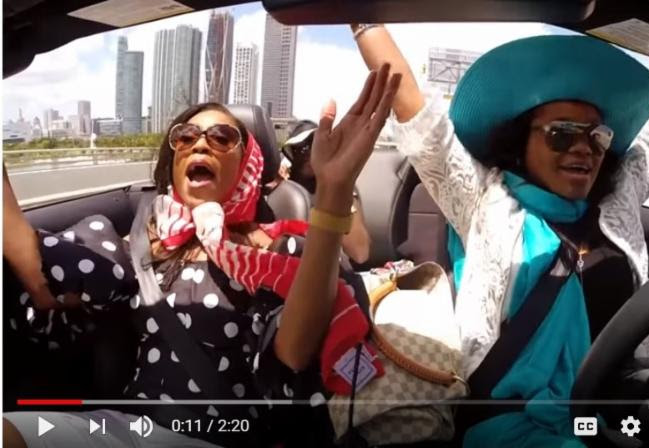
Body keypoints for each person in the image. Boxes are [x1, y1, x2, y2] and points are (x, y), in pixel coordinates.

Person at [3, 64, 402, 448]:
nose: (199, 143)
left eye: (222, 137)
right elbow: (40, 274)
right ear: (175, 161)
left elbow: (294, 352)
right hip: (125, 428)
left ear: (246, 164)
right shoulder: (142, 241)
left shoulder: (276, 251)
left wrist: (333, 189)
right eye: (186, 136)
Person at [351, 24, 649, 447]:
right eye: (562, 134)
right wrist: (363, 23)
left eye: (597, 136)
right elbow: (422, 124)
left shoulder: (616, 203)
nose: (584, 148)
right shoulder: (486, 201)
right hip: (516, 428)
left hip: (622, 408)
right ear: (521, 143)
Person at [281, 120, 372, 264]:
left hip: (334, 270)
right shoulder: (285, 193)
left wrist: (339, 192)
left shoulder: (341, 188)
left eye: (314, 145)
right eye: (300, 149)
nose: (309, 154)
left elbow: (360, 253)